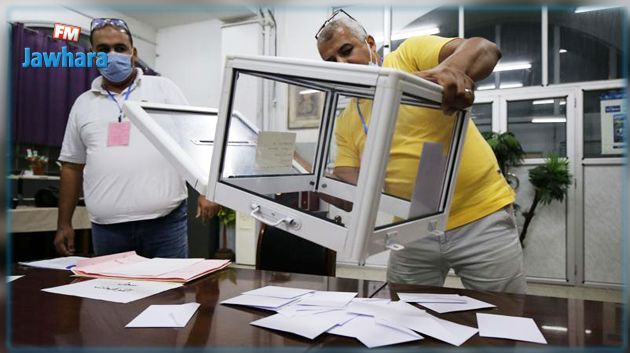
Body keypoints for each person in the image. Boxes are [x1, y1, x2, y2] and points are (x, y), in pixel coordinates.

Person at [316, 12, 526, 294]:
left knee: (502, 319)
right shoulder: (346, 119)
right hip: (411, 229)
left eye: (346, 51)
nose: (341, 64)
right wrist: (317, 182)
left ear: (369, 43)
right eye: (331, 61)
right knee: (405, 316)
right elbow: (350, 184)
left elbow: (484, 49)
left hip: (480, 216)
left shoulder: (407, 58)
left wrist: (450, 70)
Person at [54, 18, 220, 258]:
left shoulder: (164, 89)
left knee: (170, 294)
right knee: (112, 294)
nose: (112, 55)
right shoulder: (83, 104)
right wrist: (63, 223)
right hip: (107, 230)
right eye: (103, 50)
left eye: (120, 48)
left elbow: (195, 141)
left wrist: (208, 191)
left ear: (133, 53)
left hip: (165, 225)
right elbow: (71, 166)